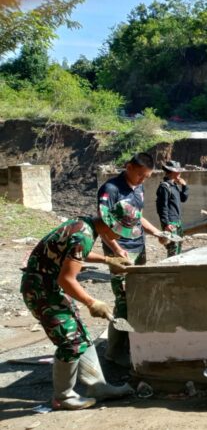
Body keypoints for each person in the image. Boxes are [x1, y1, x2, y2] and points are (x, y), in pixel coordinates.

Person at [20, 202, 140, 410]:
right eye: (121, 232)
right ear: (111, 224)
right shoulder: (82, 235)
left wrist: (106, 259)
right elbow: (66, 279)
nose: (121, 237)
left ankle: (98, 386)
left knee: (81, 335)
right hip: (42, 290)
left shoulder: (83, 225)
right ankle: (63, 397)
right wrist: (92, 302)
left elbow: (73, 254)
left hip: (48, 287)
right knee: (70, 342)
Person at [97, 152, 167, 367]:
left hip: (139, 248)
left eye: (146, 177)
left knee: (139, 296)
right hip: (119, 251)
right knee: (124, 300)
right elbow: (102, 224)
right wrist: (117, 250)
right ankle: (114, 352)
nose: (142, 180)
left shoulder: (139, 188)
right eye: (139, 175)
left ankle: (132, 343)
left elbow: (138, 217)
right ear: (128, 166)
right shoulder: (111, 190)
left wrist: (157, 232)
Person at [156, 160, 189, 257]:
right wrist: (166, 224)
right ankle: (171, 269)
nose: (180, 173)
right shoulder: (164, 187)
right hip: (170, 223)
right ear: (172, 172)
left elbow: (183, 198)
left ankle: (177, 269)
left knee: (179, 247)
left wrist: (185, 187)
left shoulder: (174, 185)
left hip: (177, 221)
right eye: (178, 171)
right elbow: (162, 207)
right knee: (172, 249)